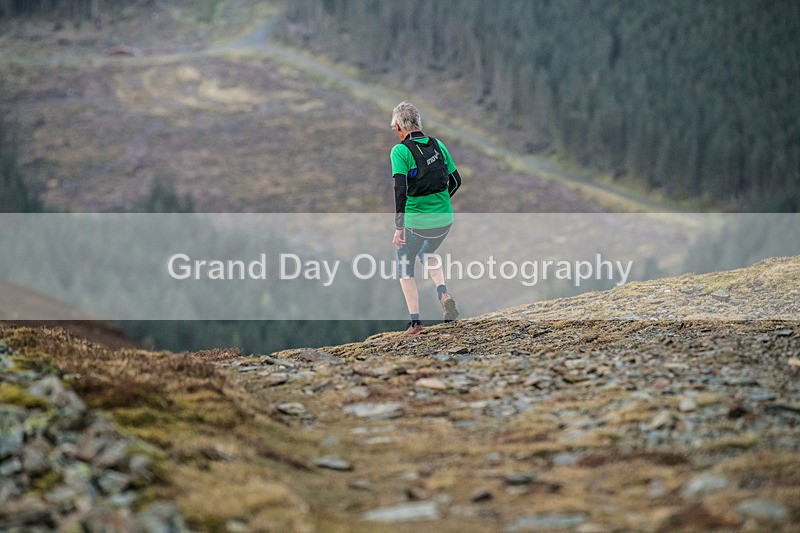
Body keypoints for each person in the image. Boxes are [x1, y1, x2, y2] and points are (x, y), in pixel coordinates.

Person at [389, 101, 462, 336]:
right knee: (427, 253)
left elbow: (400, 189)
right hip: (444, 221)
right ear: (418, 123)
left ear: (399, 126)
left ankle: (415, 323)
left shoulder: (400, 151)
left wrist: (399, 227)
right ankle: (443, 292)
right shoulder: (438, 145)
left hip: (417, 224)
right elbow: (456, 181)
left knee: (404, 264)